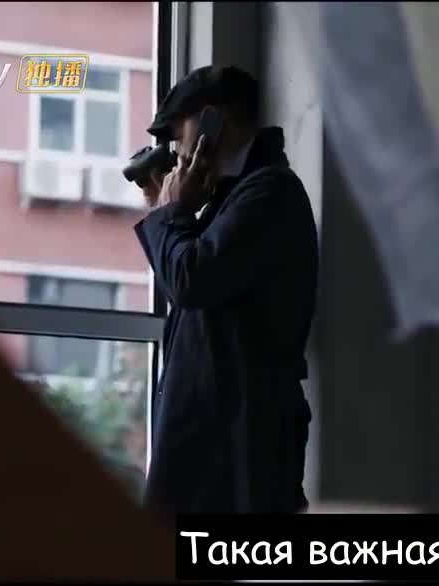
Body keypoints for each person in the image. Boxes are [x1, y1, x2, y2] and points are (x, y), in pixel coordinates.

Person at [133, 65, 318, 515]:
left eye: (179, 135)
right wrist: (168, 212)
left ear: (213, 119)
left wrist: (172, 214)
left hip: (241, 447)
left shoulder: (269, 191)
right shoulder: (231, 198)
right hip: (222, 444)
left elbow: (191, 280)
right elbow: (191, 286)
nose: (178, 152)